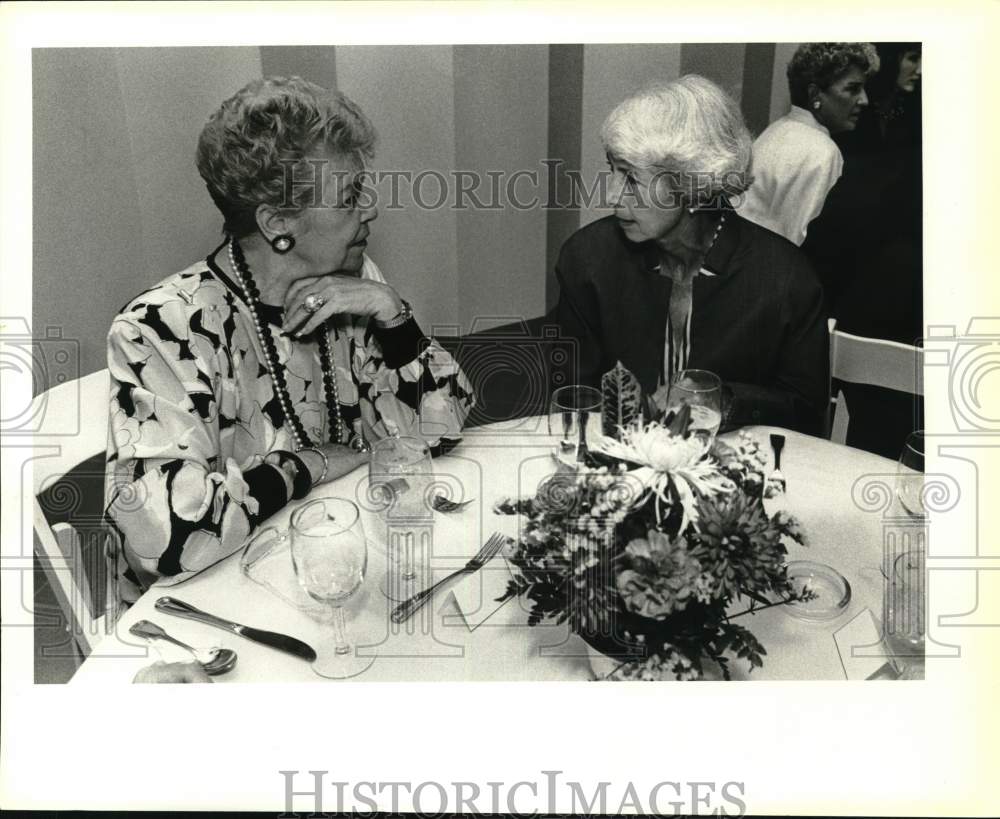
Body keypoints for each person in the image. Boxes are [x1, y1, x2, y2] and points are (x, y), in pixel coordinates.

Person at [104, 77, 474, 603]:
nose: (369, 210)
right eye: (349, 198)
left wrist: (391, 312)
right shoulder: (160, 329)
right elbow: (169, 538)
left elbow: (439, 431)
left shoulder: (351, 283)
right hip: (209, 603)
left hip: (332, 563)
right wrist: (309, 464)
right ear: (278, 223)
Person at [554, 75, 829, 436]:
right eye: (612, 170)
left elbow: (806, 412)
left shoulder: (785, 281)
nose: (611, 195)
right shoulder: (588, 261)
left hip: (737, 461)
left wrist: (722, 401)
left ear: (693, 184)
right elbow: (572, 398)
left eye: (631, 178)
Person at [803, 44, 923, 458]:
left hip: (857, 346)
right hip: (868, 352)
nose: (920, 70)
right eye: (912, 57)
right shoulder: (841, 152)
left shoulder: (868, 160)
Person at [740, 42, 879, 247]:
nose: (864, 100)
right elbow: (798, 243)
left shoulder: (777, 129)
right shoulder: (822, 151)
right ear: (815, 94)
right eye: (853, 89)